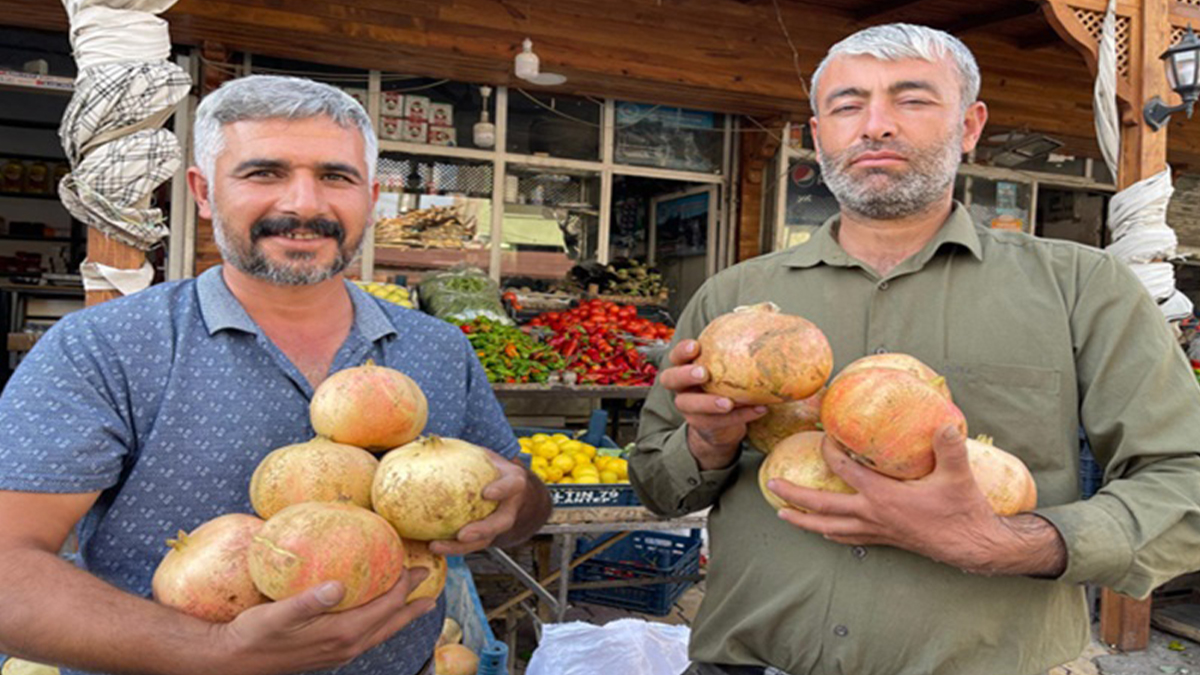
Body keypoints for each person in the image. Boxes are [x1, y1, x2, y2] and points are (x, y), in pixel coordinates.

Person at [632, 23, 1200, 675]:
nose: (875, 125)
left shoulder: (1081, 287)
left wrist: (1010, 542)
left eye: (912, 99)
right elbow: (655, 484)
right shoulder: (735, 300)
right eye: (848, 105)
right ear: (819, 136)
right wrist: (709, 442)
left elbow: (1186, 480)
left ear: (969, 125)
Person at [0, 75, 551, 675]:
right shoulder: (105, 348)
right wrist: (211, 651)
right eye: (264, 173)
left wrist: (517, 503)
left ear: (369, 195)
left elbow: (520, 502)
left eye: (335, 177)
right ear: (203, 192)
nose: (304, 205)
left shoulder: (436, 348)